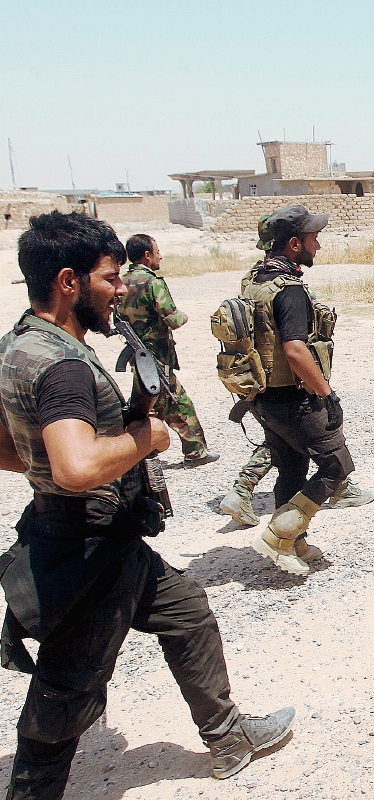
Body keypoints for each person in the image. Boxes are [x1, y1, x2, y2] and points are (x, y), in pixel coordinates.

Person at [0, 211, 293, 798]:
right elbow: (77, 467)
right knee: (64, 695)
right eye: (109, 279)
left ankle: (227, 733)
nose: (121, 290)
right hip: (87, 548)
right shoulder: (63, 366)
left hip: (94, 535)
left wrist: (53, 465)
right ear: (67, 281)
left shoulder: (19, 345)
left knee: (185, 611)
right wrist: (147, 439)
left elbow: (10, 448)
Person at [242, 204, 355, 575]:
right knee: (336, 465)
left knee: (291, 467)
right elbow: (294, 349)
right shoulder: (288, 290)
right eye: (313, 239)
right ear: (294, 244)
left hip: (264, 398)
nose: (317, 246)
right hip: (294, 399)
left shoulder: (254, 281)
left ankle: (294, 540)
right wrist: (326, 393)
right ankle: (277, 535)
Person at [117, 234, 218, 464]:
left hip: (139, 354)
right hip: (156, 356)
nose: (160, 255)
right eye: (157, 251)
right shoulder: (152, 282)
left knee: (153, 402)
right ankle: (189, 452)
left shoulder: (123, 282)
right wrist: (184, 316)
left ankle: (150, 451)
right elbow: (172, 318)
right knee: (172, 402)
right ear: (147, 255)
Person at [218, 442, 373, 526]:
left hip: (257, 391)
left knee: (278, 434)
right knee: (322, 428)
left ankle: (241, 489)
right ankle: (340, 488)